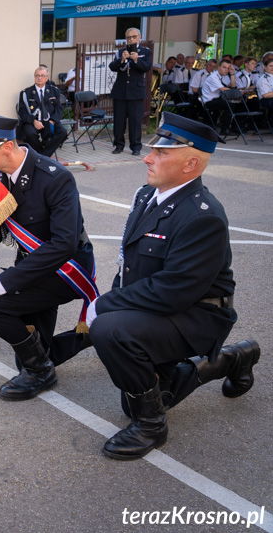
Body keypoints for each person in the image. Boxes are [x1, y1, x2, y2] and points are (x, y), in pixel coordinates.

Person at [88, 112, 259, 460]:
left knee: (109, 330)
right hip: (164, 309)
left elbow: (174, 290)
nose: (147, 158)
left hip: (199, 313)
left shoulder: (202, 215)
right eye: (153, 149)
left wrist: (107, 305)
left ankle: (152, 425)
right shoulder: (148, 196)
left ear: (191, 163)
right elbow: (133, 267)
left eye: (162, 152)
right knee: (132, 395)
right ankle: (231, 360)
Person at [0, 115, 97, 400]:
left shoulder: (55, 177)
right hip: (33, 265)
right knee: (34, 349)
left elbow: (64, 243)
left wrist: (6, 281)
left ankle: (41, 372)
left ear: (7, 147)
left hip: (66, 269)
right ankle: (79, 341)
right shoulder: (1, 177)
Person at [109, 28, 152, 156]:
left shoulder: (145, 52)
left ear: (139, 37)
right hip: (120, 91)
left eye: (133, 37)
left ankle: (136, 147)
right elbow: (112, 67)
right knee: (119, 121)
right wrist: (121, 60)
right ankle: (118, 145)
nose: (131, 39)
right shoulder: (121, 51)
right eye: (128, 37)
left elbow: (146, 67)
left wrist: (136, 60)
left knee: (135, 121)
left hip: (136, 91)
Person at [17, 66, 68, 158]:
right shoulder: (25, 93)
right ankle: (42, 154)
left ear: (47, 78)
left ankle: (43, 156)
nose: (39, 78)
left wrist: (52, 120)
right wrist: (33, 121)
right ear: (34, 77)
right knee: (29, 133)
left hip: (50, 120)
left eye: (42, 75)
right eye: (37, 75)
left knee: (62, 132)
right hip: (32, 121)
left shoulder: (54, 91)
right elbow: (22, 112)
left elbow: (59, 108)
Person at [201, 58, 237, 134]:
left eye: (228, 68)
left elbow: (232, 86)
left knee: (235, 103)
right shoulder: (213, 77)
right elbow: (224, 89)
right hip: (209, 101)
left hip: (217, 100)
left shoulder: (223, 76)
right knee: (229, 105)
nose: (226, 70)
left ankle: (228, 127)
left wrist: (232, 74)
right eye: (224, 67)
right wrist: (237, 91)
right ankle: (224, 129)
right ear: (218, 67)